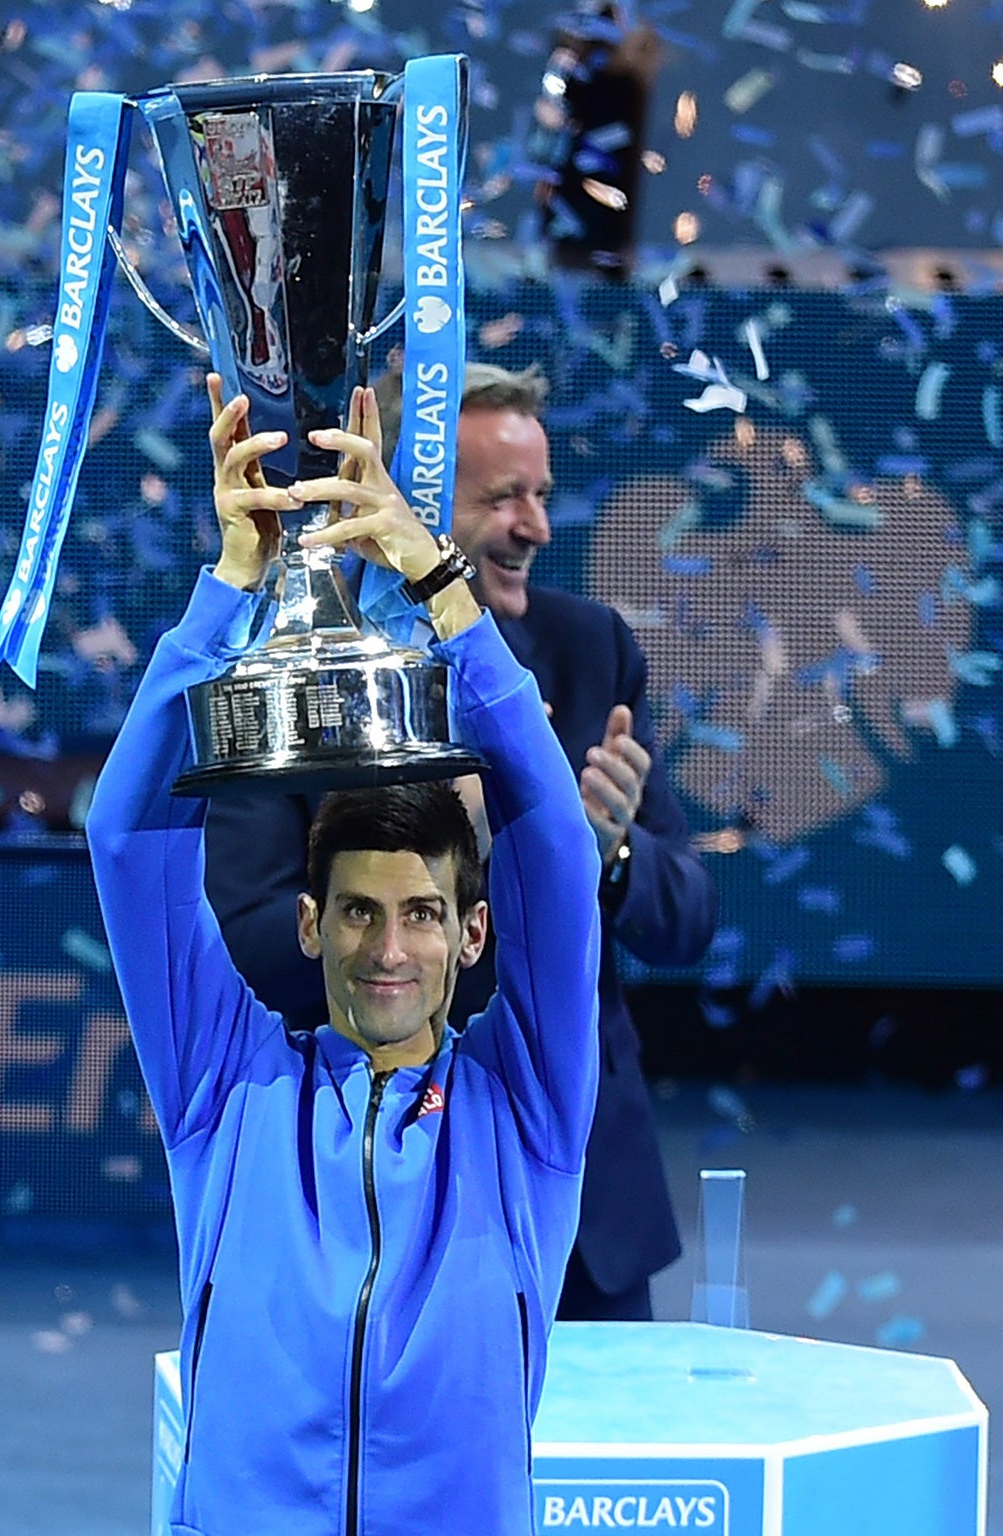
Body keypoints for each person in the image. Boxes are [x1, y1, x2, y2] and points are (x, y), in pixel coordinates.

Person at [86, 376, 600, 1535]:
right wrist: (229, 590)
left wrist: (441, 591)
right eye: (359, 913)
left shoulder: (525, 1117)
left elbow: (555, 853)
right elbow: (127, 840)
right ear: (310, 925)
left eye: (422, 914)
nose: (388, 948)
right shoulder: (226, 1091)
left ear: (472, 936)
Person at [205, 361, 718, 1321]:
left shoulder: (590, 647)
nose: (537, 527)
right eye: (504, 499)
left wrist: (599, 856)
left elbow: (686, 918)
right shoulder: (298, 669)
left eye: (541, 495)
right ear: (408, 507)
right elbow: (244, 942)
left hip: (580, 1222)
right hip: (360, 1211)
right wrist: (415, 888)